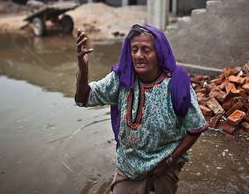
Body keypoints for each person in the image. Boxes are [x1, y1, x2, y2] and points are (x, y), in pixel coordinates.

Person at [75, 24, 208, 193]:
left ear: (159, 54)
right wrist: (83, 68)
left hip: (164, 162)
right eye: (134, 49)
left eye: (146, 49)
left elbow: (195, 129)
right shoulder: (121, 79)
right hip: (129, 164)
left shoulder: (175, 84)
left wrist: (169, 162)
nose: (138, 55)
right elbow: (83, 98)